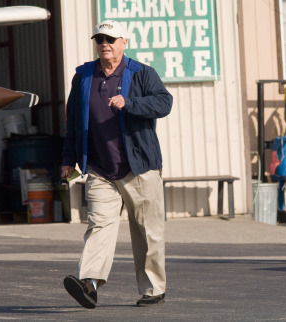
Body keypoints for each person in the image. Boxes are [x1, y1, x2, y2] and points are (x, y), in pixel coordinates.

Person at [61, 20, 172, 308]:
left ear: (124, 41)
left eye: (110, 39)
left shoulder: (141, 73)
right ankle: (89, 283)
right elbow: (73, 122)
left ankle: (152, 289)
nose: (104, 44)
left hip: (140, 167)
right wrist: (67, 159)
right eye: (99, 39)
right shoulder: (84, 76)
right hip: (100, 168)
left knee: (147, 230)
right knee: (99, 226)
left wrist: (130, 103)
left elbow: (164, 103)